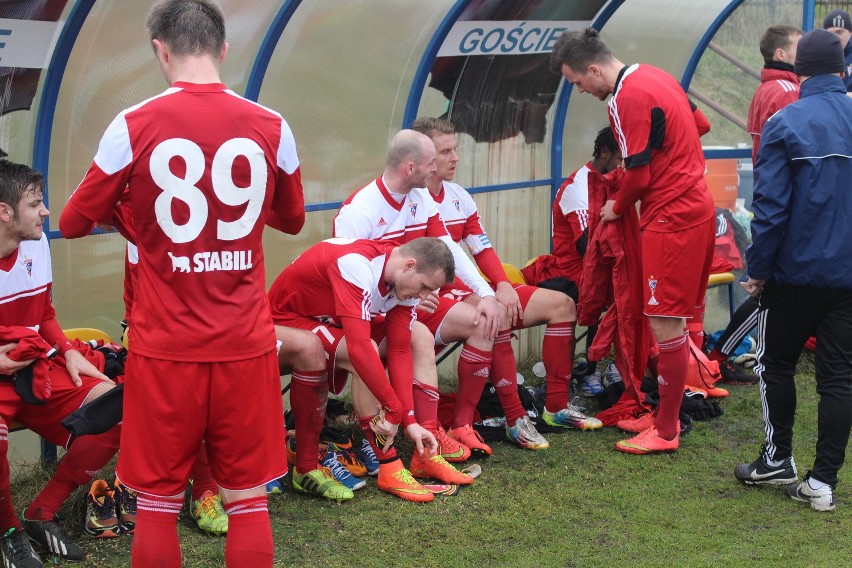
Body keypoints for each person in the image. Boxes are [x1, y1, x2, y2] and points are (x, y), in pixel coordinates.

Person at [58, 1, 305, 565]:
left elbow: (71, 222)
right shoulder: (272, 125)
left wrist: (135, 217)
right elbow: (290, 219)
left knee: (158, 502)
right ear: (222, 49)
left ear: (160, 51)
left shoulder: (133, 124)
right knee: (247, 500)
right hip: (245, 344)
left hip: (165, 349)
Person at [334, 129, 551, 454]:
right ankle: (378, 442)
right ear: (410, 167)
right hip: (366, 312)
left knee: (485, 318)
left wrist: (487, 292)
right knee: (391, 340)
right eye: (434, 159)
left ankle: (457, 426)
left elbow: (448, 246)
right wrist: (407, 296)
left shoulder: (421, 198)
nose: (441, 165)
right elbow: (351, 285)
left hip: (409, 303)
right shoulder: (360, 211)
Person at [551, 28, 715, 454]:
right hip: (696, 208)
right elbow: (701, 124)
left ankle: (665, 431)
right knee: (672, 320)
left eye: (577, 82)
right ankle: (663, 418)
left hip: (672, 218)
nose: (581, 90)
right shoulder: (658, 76)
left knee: (664, 323)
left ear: (592, 69)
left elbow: (638, 176)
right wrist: (676, 163)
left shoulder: (623, 100)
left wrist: (616, 208)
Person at [411, 116, 603, 433]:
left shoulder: (458, 196)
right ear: (424, 158)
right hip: (436, 296)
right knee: (494, 314)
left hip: (471, 289)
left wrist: (502, 283)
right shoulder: (409, 199)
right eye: (446, 152)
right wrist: (491, 293)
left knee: (563, 305)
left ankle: (555, 407)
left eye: (455, 149)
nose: (455, 158)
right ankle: (515, 418)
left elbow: (481, 249)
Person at [733, 28, 852, 512]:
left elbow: (771, 208)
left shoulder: (786, 123)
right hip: (848, 278)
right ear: (843, 69)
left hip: (795, 275)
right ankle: (822, 482)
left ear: (798, 71)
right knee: (839, 378)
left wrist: (758, 270)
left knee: (774, 363)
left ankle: (777, 458)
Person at [269, 237, 474, 503]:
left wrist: (407, 419)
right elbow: (359, 349)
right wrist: (393, 408)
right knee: (363, 356)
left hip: (330, 320)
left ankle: (425, 449)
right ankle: (388, 464)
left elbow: (400, 349)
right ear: (409, 266)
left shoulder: (401, 278)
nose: (425, 297)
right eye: (424, 287)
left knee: (418, 336)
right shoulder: (358, 264)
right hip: (287, 321)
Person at [0, 159, 122, 567]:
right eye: (36, 204)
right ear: (4, 212)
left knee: (114, 409)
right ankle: (10, 532)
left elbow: (45, 314)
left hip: (36, 365)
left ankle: (42, 512)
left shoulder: (37, 243)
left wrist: (68, 350)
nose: (46, 212)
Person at [705, 24, 804, 386]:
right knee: (768, 287)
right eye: (799, 45)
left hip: (778, 198)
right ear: (781, 54)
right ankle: (719, 355)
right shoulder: (786, 91)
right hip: (786, 201)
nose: (804, 50)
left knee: (776, 287)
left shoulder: (771, 87)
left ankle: (731, 352)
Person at [521, 125, 623, 396]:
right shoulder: (579, 186)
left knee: (631, 284)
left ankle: (611, 365)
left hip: (595, 267)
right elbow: (584, 245)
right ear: (604, 153)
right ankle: (592, 368)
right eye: (619, 159)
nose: (623, 166)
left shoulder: (612, 182)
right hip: (570, 269)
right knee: (612, 288)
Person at [823, 8, 852, 91]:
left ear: (850, 33)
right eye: (830, 33)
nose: (835, 37)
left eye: (839, 32)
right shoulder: (819, 55)